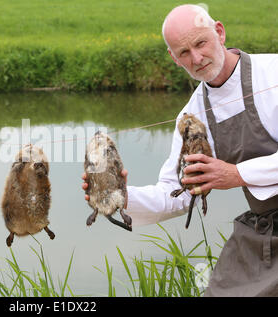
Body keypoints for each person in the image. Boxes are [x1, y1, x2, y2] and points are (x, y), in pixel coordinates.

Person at [82, 4, 278, 296]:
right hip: (266, 230)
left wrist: (237, 174)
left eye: (201, 43)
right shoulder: (192, 115)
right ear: (173, 58)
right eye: (184, 52)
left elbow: (233, 175)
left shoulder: (273, 72)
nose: (196, 58)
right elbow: (176, 195)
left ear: (219, 33)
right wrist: (120, 195)